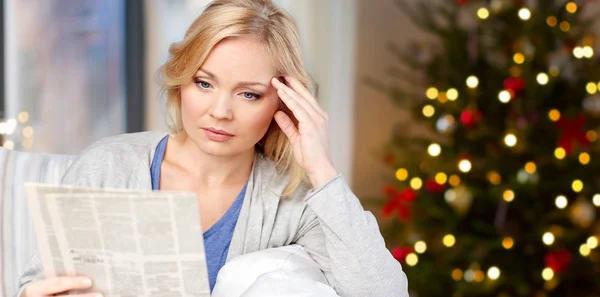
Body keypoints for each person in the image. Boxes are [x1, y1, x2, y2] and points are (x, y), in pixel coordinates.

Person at [16, 0, 408, 296]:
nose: (220, 112)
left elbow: (384, 292)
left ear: (283, 103)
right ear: (181, 80)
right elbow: (38, 283)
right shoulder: (107, 167)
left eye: (250, 94)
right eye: (204, 83)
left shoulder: (292, 201)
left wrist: (322, 169)